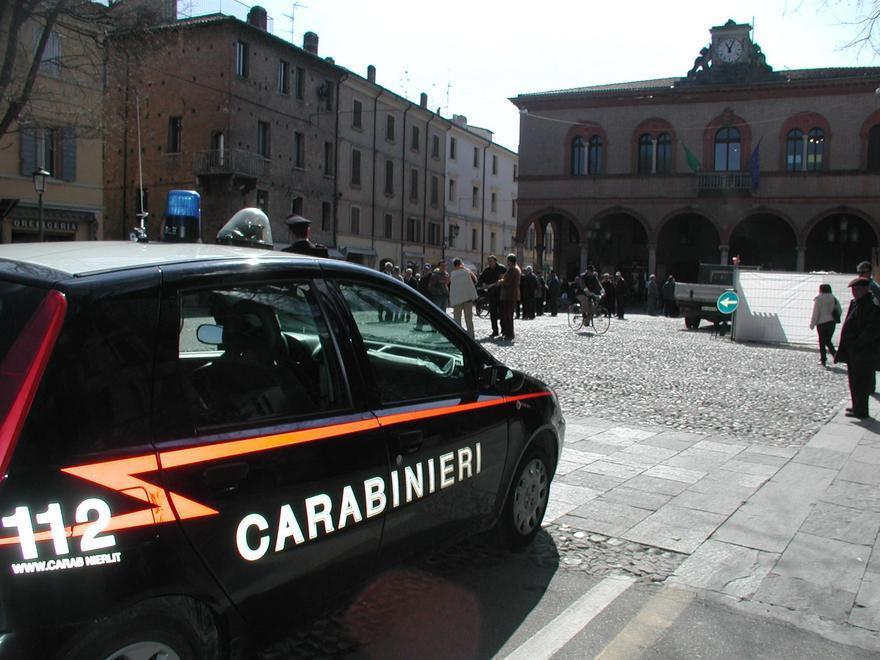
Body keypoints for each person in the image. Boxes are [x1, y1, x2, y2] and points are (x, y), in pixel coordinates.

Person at [835, 277, 880, 418]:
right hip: (854, 351)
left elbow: (872, 329)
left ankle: (861, 410)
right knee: (854, 381)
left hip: (863, 351)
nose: (855, 292)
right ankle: (857, 407)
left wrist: (857, 344)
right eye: (853, 290)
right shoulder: (856, 303)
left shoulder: (871, 305)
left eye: (858, 289)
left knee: (861, 381)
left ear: (866, 289)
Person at [809, 283, 842, 366]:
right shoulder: (834, 298)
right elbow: (839, 310)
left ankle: (824, 359)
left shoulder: (819, 299)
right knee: (827, 340)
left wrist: (812, 324)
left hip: (821, 323)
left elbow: (816, 313)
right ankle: (835, 355)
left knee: (822, 341)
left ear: (821, 289)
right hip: (831, 322)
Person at [449, 258, 479, 338]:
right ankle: (471, 337)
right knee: (469, 320)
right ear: (461, 263)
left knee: (457, 319)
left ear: (454, 265)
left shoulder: (452, 274)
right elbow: (475, 281)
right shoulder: (468, 271)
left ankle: (458, 336)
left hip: (457, 300)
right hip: (468, 298)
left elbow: (449, 285)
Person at [494, 254, 521, 340]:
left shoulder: (513, 270)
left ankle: (509, 333)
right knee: (508, 315)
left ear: (510, 261)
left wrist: (500, 281)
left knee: (507, 315)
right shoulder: (515, 269)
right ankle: (508, 333)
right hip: (510, 295)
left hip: (509, 295)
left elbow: (507, 281)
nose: (507, 263)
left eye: (508, 261)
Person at [478, 255, 506, 337]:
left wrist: (501, 282)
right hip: (492, 294)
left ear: (495, 261)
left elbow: (506, 278)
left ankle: (503, 330)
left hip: (501, 294)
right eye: (489, 261)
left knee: (502, 313)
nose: (490, 263)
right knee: (493, 314)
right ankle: (495, 331)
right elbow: (481, 279)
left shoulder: (501, 268)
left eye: (491, 261)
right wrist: (483, 283)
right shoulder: (487, 270)